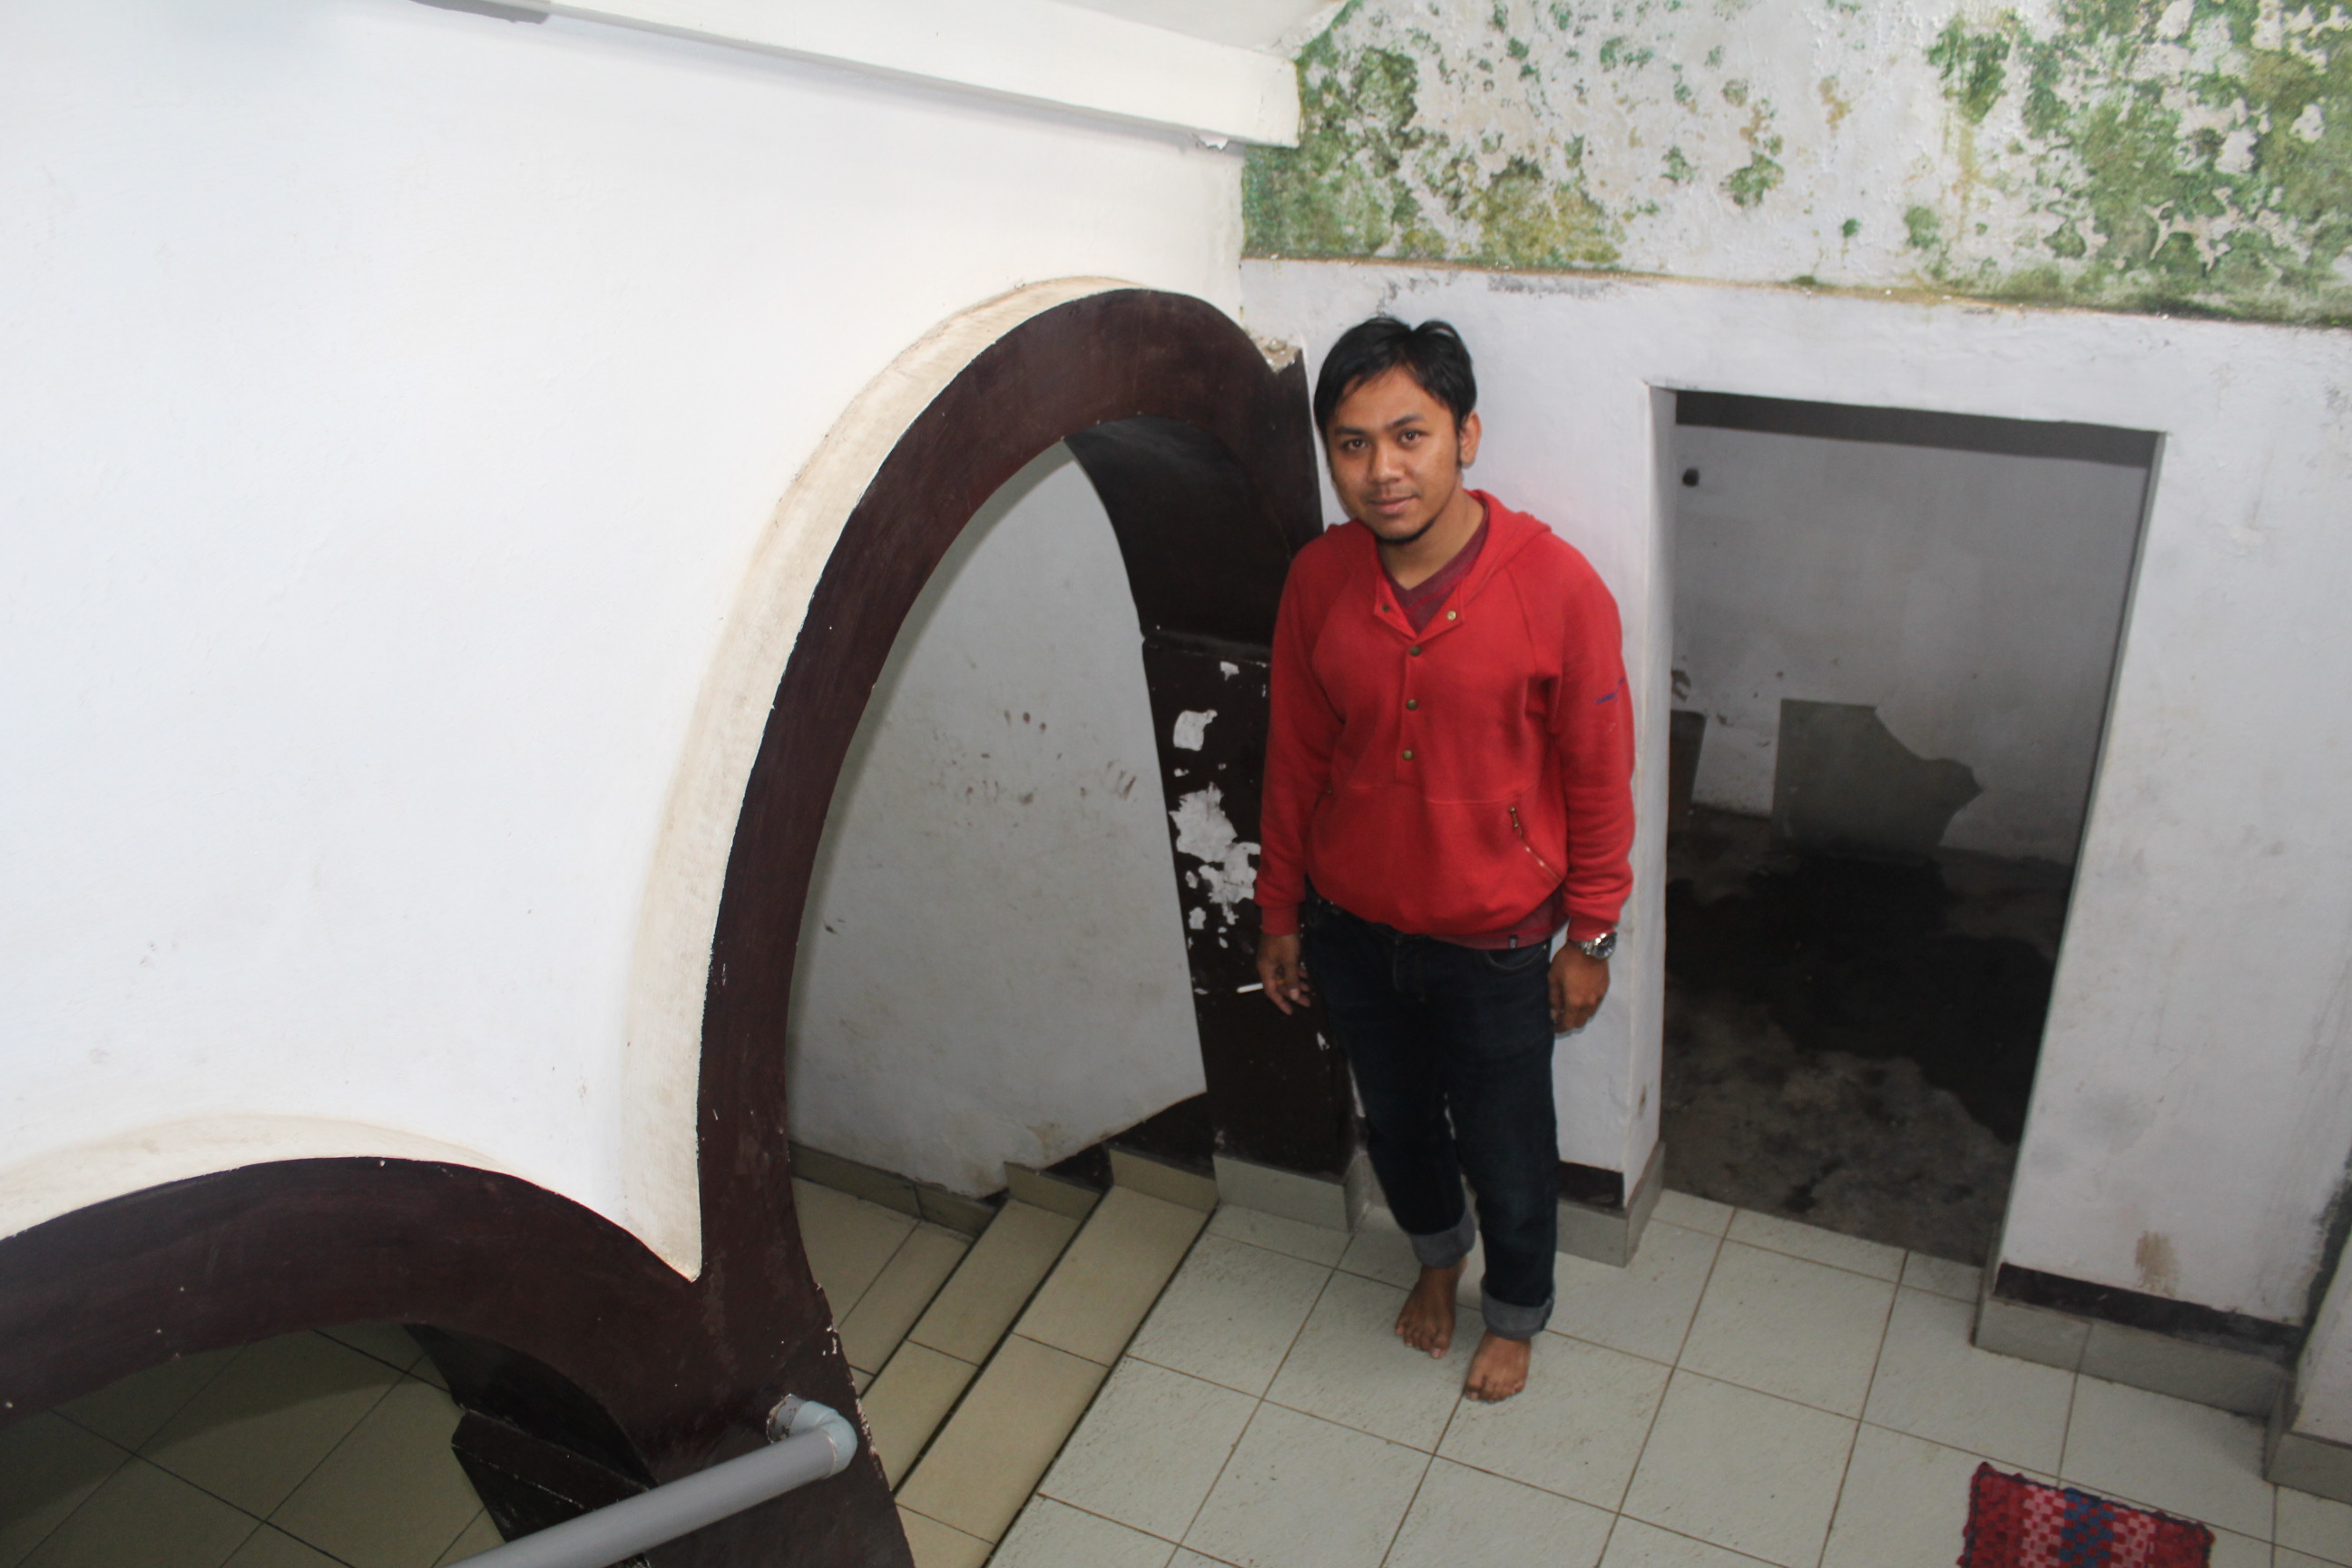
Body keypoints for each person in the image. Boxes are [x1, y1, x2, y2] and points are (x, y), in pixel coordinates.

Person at [1252, 316, 1634, 1402]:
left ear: (1466, 435)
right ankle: (1435, 1257)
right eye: (1352, 444)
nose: (1382, 470)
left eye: (1409, 435)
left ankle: (1514, 1311)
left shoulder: (1557, 587)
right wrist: (1279, 910)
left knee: (1509, 1142)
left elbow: (1601, 775)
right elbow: (1295, 756)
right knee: (1399, 1122)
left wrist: (1593, 936)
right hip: (1353, 927)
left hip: (1497, 941)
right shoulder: (1319, 579)